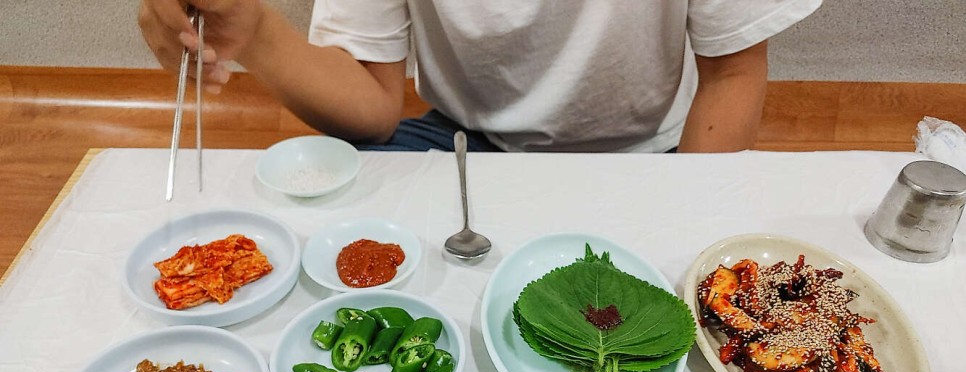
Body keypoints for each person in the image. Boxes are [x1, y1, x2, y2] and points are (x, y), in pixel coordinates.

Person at [138, 0, 822, 153]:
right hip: (465, 143)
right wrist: (258, 35)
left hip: (654, 153)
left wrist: (683, 217)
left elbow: (733, 73)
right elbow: (373, 103)